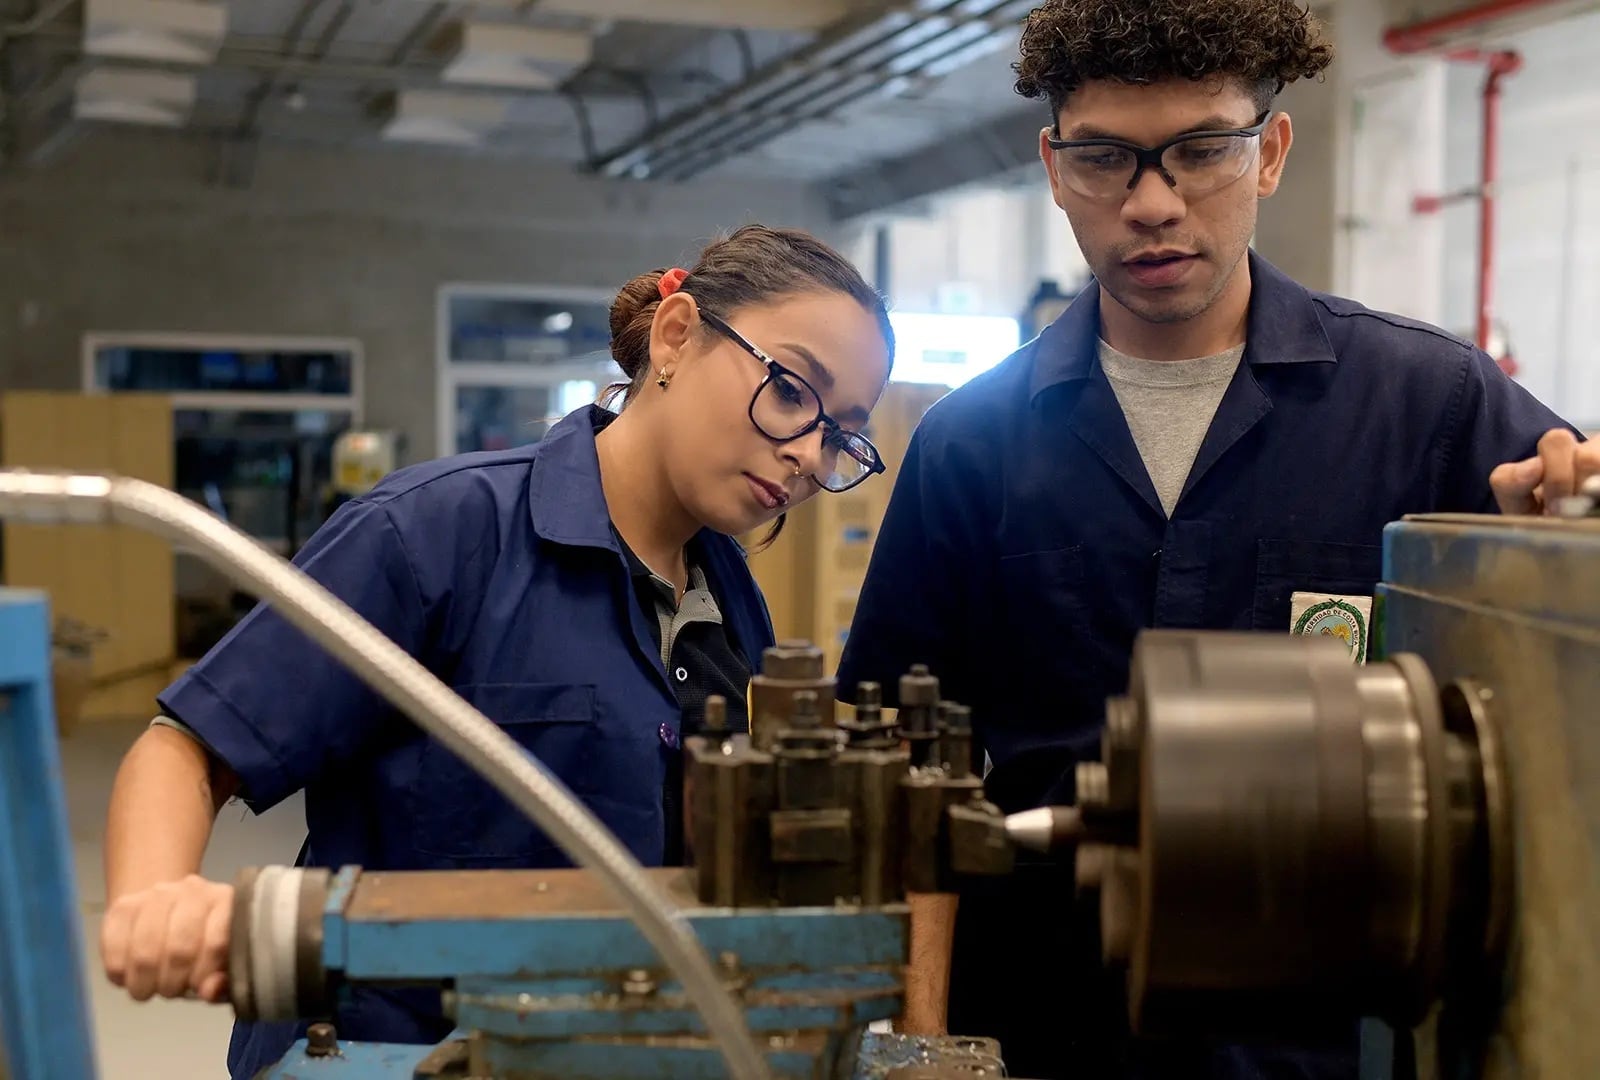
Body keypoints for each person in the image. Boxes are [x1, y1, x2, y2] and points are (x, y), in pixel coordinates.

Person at [836, 2, 1597, 1078]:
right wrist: (916, 1035)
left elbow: (1552, 656)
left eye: (1200, 152)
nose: (1153, 204)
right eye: (1105, 159)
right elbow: (891, 766)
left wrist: (1564, 519)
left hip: (1331, 1032)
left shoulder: (1426, 404)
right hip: (1051, 1024)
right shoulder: (973, 444)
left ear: (1269, 152)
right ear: (1054, 169)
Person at [98, 224, 896, 1079]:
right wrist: (157, 900)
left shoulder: (733, 602)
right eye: (790, 392)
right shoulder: (435, 534)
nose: (808, 452)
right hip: (378, 1053)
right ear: (675, 338)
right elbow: (189, 749)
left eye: (843, 437)